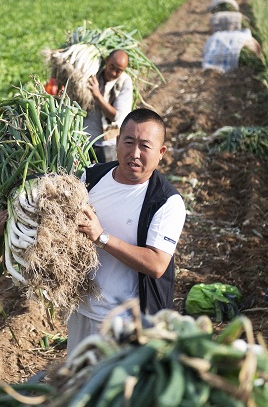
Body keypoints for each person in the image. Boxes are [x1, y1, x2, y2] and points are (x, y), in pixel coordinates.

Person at [69, 108, 186, 355]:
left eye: (145, 146)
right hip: (80, 309)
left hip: (123, 322)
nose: (135, 153)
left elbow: (156, 264)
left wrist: (101, 237)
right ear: (118, 141)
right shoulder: (91, 177)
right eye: (128, 142)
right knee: (76, 383)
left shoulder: (166, 202)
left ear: (161, 153)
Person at [83, 49, 134, 163]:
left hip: (107, 144)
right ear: (106, 60)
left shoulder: (124, 82)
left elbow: (115, 116)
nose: (113, 73)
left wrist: (97, 95)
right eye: (112, 67)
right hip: (85, 140)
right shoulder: (93, 74)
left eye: (119, 71)